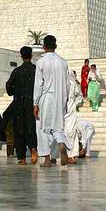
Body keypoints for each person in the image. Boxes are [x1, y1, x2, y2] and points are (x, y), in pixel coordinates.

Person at [33, 34, 71, 168]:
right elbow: (67, 84)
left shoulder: (41, 62)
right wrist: (65, 101)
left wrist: (35, 103)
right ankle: (61, 142)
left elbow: (38, 84)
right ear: (55, 46)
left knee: (42, 128)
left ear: (44, 47)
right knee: (57, 126)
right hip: (60, 98)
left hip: (46, 98)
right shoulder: (63, 62)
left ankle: (47, 159)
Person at [6, 46, 38, 165]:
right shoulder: (36, 70)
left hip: (19, 104)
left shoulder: (17, 71)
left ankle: (22, 158)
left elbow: (9, 88)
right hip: (32, 104)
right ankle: (33, 148)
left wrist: (15, 89)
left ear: (21, 56)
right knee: (31, 127)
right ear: (31, 56)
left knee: (19, 130)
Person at [63, 71, 84, 165]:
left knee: (70, 132)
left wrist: (74, 104)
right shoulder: (60, 82)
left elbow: (79, 95)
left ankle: (71, 156)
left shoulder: (72, 83)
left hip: (70, 111)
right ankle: (69, 155)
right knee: (64, 133)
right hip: (61, 111)